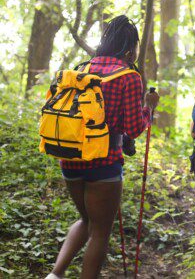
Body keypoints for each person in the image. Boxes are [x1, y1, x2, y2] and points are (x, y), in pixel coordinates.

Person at [45, 15, 160, 279]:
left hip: (70, 158)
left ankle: (55, 275)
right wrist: (149, 108)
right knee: (100, 230)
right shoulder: (128, 77)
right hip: (104, 163)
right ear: (131, 47)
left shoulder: (82, 69)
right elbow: (134, 128)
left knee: (87, 220)